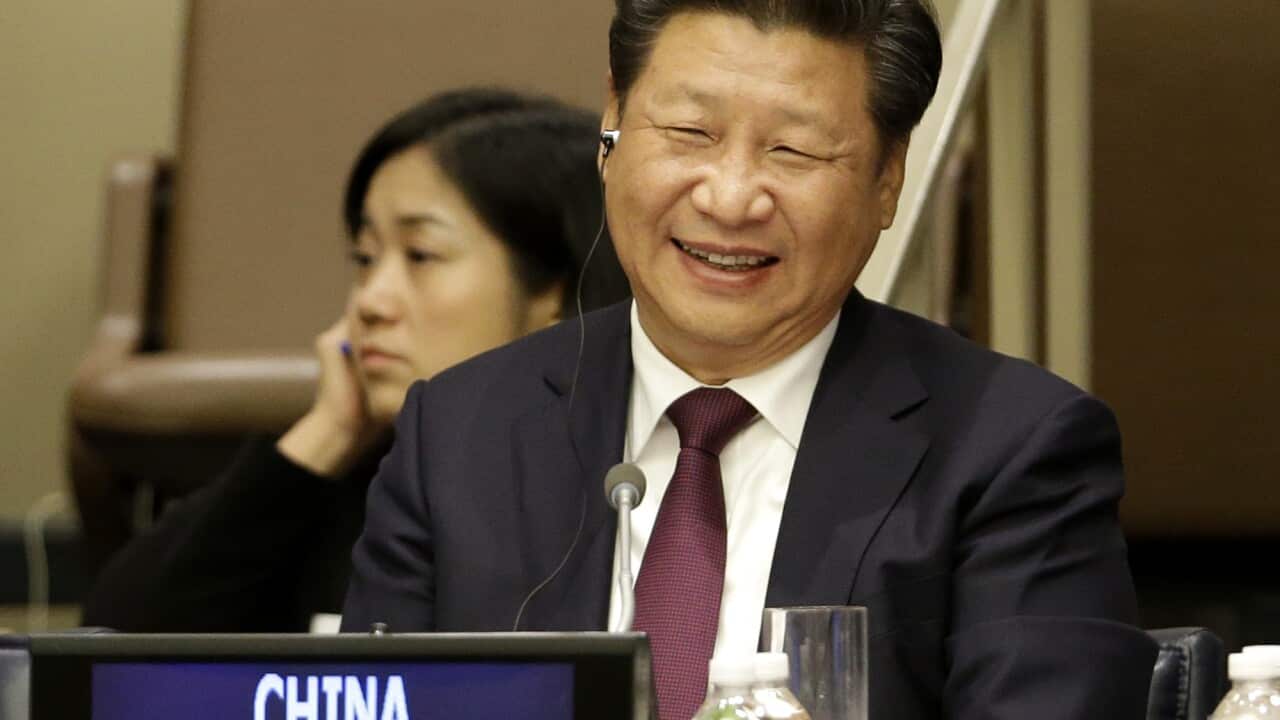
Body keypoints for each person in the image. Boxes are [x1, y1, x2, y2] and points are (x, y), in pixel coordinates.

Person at [342, 2, 1157, 718]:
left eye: (794, 152)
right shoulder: (459, 431)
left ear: (887, 180)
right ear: (612, 126)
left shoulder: (1010, 452)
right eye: (690, 133)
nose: (730, 198)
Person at [80, 88, 630, 632]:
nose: (369, 301)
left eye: (420, 255)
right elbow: (119, 642)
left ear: (556, 295)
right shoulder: (357, 482)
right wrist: (326, 432)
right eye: (365, 259)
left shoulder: (621, 477)